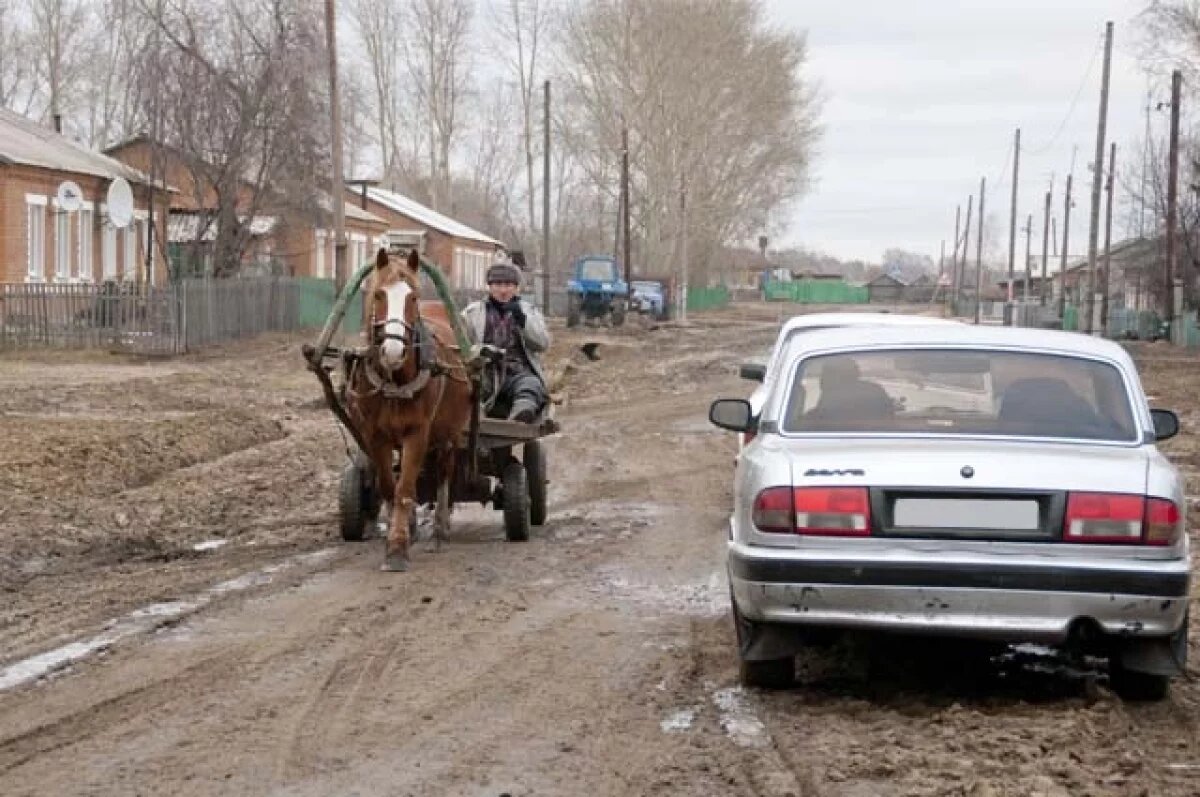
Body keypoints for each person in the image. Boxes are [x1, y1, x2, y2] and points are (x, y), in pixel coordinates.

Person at [462, 255, 551, 423]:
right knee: (467, 388)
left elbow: (543, 343)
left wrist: (523, 321)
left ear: (516, 288)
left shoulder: (529, 311)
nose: (503, 290)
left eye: (508, 285)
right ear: (489, 287)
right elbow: (461, 346)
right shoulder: (472, 313)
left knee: (531, 385)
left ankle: (520, 414)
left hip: (518, 372)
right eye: (498, 285)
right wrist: (481, 352)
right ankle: (476, 418)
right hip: (483, 372)